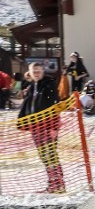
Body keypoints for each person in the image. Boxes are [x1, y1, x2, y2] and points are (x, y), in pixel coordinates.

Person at [17, 61, 65, 194]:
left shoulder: (48, 85)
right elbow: (27, 105)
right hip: (35, 127)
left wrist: (54, 127)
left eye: (38, 70)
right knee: (44, 156)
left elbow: (55, 106)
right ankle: (53, 183)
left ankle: (58, 184)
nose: (36, 73)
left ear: (43, 71)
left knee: (50, 155)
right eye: (34, 71)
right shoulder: (32, 86)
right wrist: (21, 122)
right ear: (30, 73)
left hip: (47, 126)